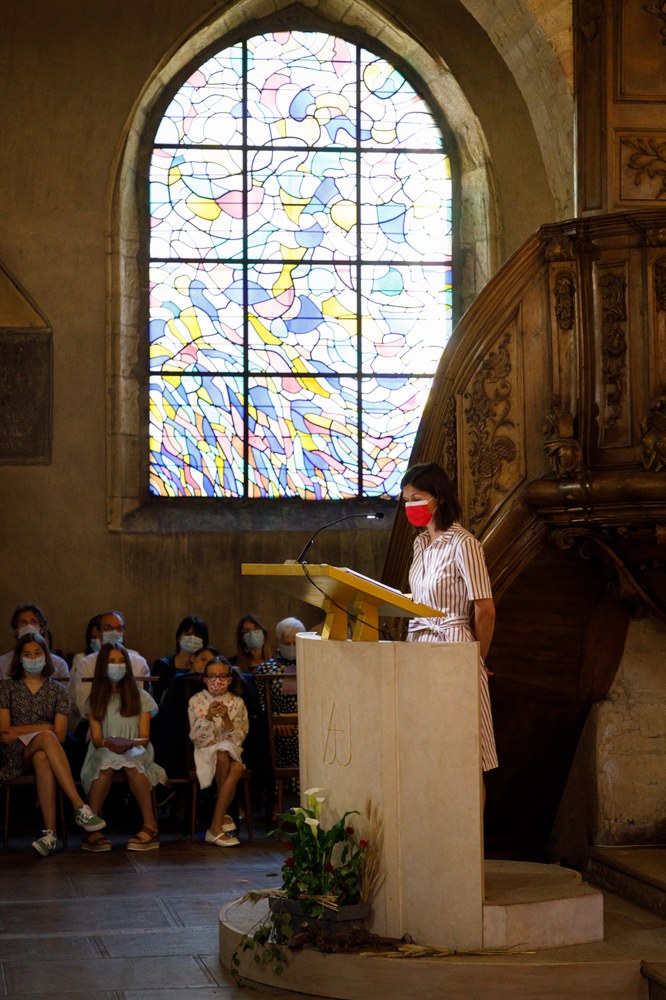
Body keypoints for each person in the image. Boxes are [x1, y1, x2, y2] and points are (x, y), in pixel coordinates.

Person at [401, 462, 498, 774]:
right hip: (418, 646)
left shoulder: (464, 543)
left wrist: (477, 659)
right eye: (406, 501)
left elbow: (485, 609)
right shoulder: (419, 544)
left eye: (416, 499)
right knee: (429, 754)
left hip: (453, 644)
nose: (410, 506)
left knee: (465, 757)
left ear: (439, 497)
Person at [0, 632, 106, 855]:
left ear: (45, 656)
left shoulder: (57, 690)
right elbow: (5, 731)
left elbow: (61, 735)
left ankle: (50, 835)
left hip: (44, 751)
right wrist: (45, 727)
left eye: (37, 653)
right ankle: (79, 806)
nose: (33, 658)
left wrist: (23, 731)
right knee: (47, 737)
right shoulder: (7, 688)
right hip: (14, 754)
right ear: (19, 658)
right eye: (27, 654)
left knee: (43, 757)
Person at [80, 642, 166, 852]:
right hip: (104, 748)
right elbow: (97, 739)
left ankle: (150, 825)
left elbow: (144, 737)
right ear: (103, 665)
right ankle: (92, 828)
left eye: (121, 661)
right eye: (111, 661)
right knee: (106, 759)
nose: (117, 666)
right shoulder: (95, 700)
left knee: (131, 759)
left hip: (135, 747)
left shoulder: (141, 697)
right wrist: (110, 743)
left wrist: (128, 743)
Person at [188, 656, 248, 847]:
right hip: (205, 749)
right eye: (212, 676)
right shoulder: (196, 700)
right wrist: (208, 717)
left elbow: (239, 737)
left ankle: (216, 824)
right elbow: (196, 738)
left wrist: (227, 719)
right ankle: (224, 815)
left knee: (232, 760)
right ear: (205, 679)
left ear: (229, 679)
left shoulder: (237, 702)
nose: (217, 680)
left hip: (230, 747)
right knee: (229, 760)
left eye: (222, 676)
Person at [69, 610, 150, 735]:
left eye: (119, 628)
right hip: (97, 724)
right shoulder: (86, 663)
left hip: (132, 724)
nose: (114, 632)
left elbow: (139, 702)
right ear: (98, 631)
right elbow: (84, 705)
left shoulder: (138, 661)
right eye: (108, 628)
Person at [255, 617, 303, 773]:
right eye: (287, 643)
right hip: (278, 731)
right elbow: (260, 703)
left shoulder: (311, 666)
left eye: (295, 643)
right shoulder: (266, 669)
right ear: (279, 641)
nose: (291, 647)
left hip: (307, 729)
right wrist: (275, 718)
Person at [0, 604, 69, 680]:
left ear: (41, 629)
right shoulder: (2, 664)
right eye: (23, 622)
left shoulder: (59, 664)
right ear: (16, 630)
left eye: (33, 622)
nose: (28, 626)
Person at [152, 615, 209, 703]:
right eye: (188, 634)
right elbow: (159, 698)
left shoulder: (208, 666)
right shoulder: (162, 665)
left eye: (197, 636)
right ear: (179, 638)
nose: (192, 639)